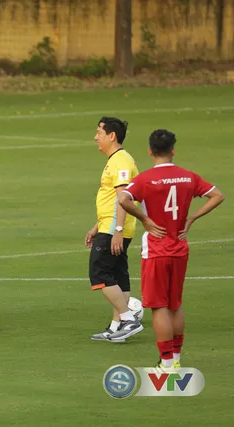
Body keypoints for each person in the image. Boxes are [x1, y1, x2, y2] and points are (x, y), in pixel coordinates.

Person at [118, 129, 224, 368]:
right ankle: (175, 357)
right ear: (173, 150)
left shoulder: (145, 180)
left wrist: (145, 219)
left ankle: (166, 362)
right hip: (179, 248)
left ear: (150, 151)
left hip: (156, 250)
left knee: (159, 307)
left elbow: (123, 199)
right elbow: (217, 195)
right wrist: (191, 219)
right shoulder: (188, 177)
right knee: (175, 304)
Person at [86, 116, 143, 342]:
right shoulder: (117, 160)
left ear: (112, 136)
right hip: (111, 225)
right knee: (118, 276)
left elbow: (123, 198)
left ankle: (129, 318)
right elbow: (112, 199)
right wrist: (96, 226)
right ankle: (116, 328)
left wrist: (116, 230)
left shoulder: (121, 161)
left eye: (99, 132)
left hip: (115, 228)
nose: (95, 137)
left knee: (99, 273)